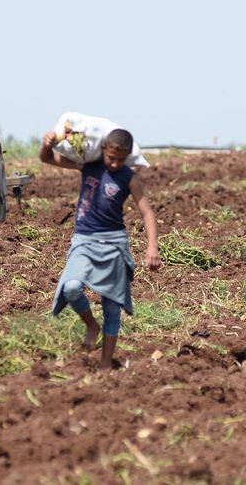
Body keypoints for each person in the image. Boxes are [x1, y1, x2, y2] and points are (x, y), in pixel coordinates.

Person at [39, 128, 161, 370]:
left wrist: (152, 247)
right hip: (84, 240)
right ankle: (91, 325)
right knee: (72, 288)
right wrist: (47, 144)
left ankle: (105, 364)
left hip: (114, 243)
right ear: (103, 148)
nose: (114, 163)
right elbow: (47, 158)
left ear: (127, 157)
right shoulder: (89, 166)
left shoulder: (129, 178)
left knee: (112, 306)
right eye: (110, 157)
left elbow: (147, 212)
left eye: (120, 159)